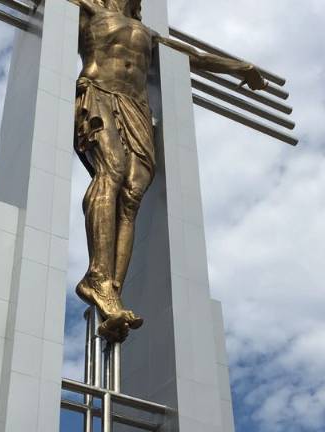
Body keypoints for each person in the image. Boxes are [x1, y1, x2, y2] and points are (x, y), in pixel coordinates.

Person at [72, 0, 268, 342]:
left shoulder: (147, 33)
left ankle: (113, 291)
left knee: (133, 192)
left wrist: (240, 67)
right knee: (111, 172)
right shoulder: (87, 9)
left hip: (136, 107)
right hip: (100, 93)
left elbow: (195, 57)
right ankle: (97, 277)